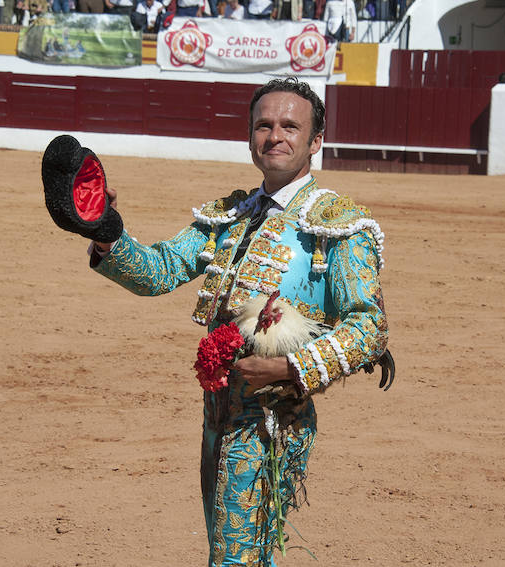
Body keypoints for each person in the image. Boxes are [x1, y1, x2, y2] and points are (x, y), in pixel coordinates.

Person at [78, 77, 388, 566]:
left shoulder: (338, 226)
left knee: (236, 558)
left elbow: (369, 328)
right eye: (263, 125)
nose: (275, 136)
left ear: (316, 141)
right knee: (232, 552)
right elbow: (158, 271)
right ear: (249, 138)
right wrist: (105, 232)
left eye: (290, 126)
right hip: (216, 412)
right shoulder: (229, 217)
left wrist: (290, 368)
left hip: (273, 418)